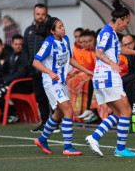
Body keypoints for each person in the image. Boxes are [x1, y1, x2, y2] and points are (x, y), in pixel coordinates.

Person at [85, 0, 135, 157]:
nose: (127, 25)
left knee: (119, 114)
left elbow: (117, 50)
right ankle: (119, 149)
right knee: (126, 111)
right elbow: (98, 53)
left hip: (101, 77)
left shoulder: (109, 32)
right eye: (126, 22)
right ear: (119, 20)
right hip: (108, 77)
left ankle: (95, 137)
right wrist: (112, 63)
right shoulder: (107, 32)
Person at [33, 17, 93, 155]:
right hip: (51, 82)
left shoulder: (65, 40)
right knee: (68, 111)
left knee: (59, 113)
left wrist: (86, 70)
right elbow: (36, 62)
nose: (63, 28)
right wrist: (50, 72)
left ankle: (42, 139)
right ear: (52, 31)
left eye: (63, 26)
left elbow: (70, 59)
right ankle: (68, 147)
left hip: (62, 81)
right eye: (59, 27)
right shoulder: (48, 43)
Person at [22, 3, 58, 133]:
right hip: (34, 70)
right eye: (38, 14)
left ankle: (55, 124)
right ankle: (44, 123)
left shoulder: (52, 29)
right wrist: (28, 64)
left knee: (52, 97)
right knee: (40, 97)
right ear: (34, 14)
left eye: (43, 14)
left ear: (46, 14)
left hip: (48, 70)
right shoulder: (28, 30)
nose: (40, 17)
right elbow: (24, 49)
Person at [0, 36, 30, 123]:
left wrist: (2, 81)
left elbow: (19, 74)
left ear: (3, 45)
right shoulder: (0, 58)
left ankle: (13, 113)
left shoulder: (14, 55)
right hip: (10, 82)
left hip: (21, 85)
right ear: (12, 45)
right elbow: (3, 75)